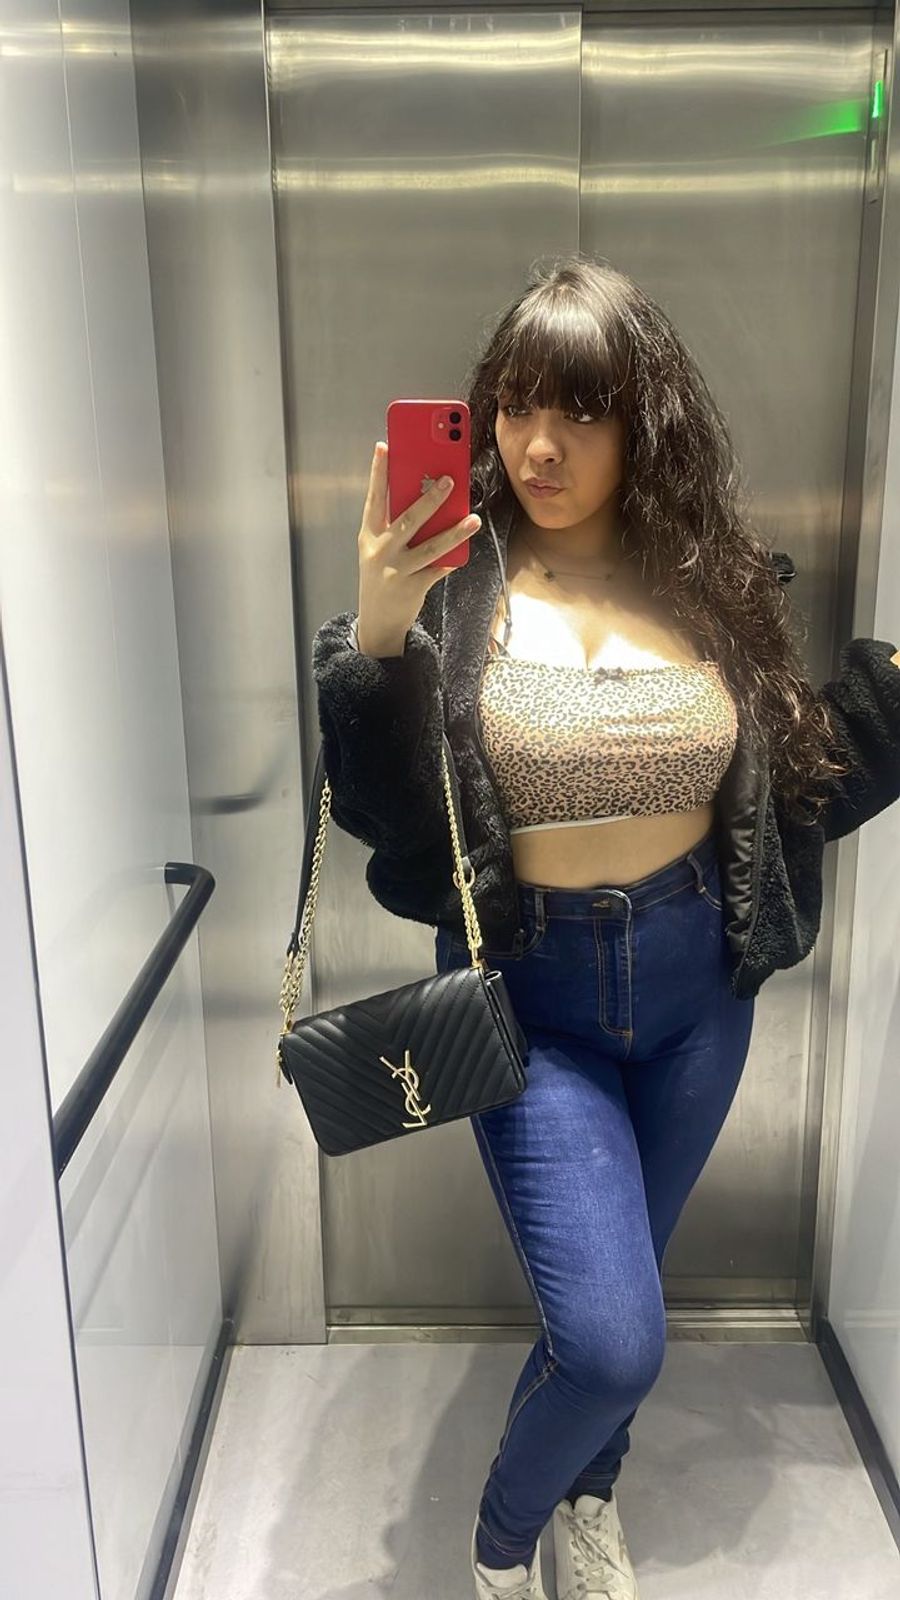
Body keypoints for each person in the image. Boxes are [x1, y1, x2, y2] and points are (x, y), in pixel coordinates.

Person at [311, 255, 900, 1600]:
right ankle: (502, 1547)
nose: (539, 445)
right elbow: (387, 815)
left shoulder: (713, 588)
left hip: (702, 993)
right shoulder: (454, 590)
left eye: (580, 409)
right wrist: (382, 642)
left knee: (631, 1283)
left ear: (645, 421)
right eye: (516, 406)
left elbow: (789, 779)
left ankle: (591, 1491)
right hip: (534, 1002)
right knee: (614, 1338)